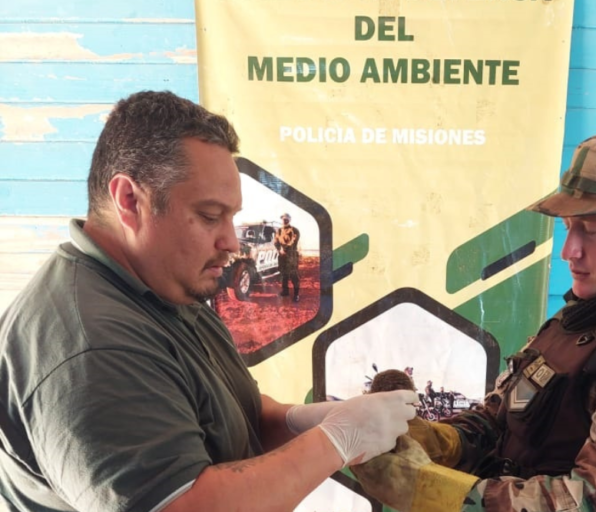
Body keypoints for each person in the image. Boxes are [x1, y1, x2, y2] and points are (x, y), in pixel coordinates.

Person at [0, 90, 418, 512]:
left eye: (232, 216)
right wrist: (333, 443)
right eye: (209, 215)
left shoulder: (163, 287)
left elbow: (224, 413)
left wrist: (300, 422)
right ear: (130, 200)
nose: (231, 242)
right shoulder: (92, 344)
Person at [352, 130, 596, 512]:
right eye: (567, 227)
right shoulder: (585, 320)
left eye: (592, 230)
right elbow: (504, 420)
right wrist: (444, 441)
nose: (568, 251)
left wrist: (431, 490)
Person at [274, 212, 301, 302]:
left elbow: (294, 241)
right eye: (283, 219)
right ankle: (285, 291)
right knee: (284, 274)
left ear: (289, 220)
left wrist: (284, 249)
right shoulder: (279, 231)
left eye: (286, 219)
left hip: (291, 256)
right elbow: (275, 242)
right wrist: (279, 249)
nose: (284, 221)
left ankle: (296, 294)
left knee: (293, 275)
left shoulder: (294, 230)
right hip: (282, 256)